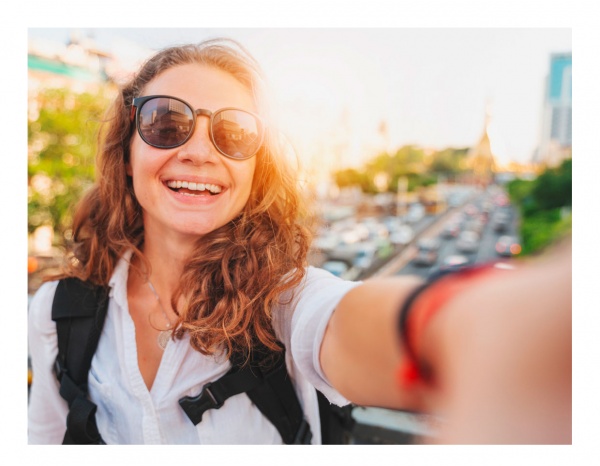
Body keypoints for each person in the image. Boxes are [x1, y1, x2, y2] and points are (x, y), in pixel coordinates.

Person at [28, 39, 571, 445]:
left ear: (255, 169)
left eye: (234, 133)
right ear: (127, 149)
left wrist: (473, 327)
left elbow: (347, 323)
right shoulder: (57, 312)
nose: (199, 151)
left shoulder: (281, 302)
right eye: (166, 122)